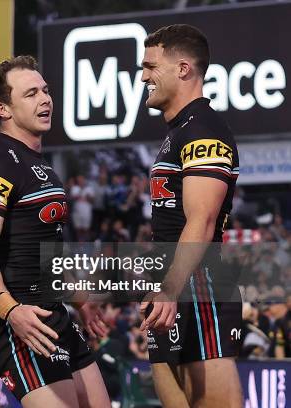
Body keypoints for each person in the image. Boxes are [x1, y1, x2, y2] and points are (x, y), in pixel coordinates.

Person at [0, 55, 110, 408]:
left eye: (46, 91)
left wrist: (80, 301)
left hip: (55, 315)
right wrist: (11, 310)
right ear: (3, 108)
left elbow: (50, 253)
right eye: (31, 94)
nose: (45, 99)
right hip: (20, 321)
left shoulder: (40, 165)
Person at [138, 24, 242, 407]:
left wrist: (169, 286)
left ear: (183, 69)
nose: (144, 76)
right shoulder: (178, 131)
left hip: (200, 285)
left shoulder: (203, 129)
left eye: (150, 66)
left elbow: (202, 220)